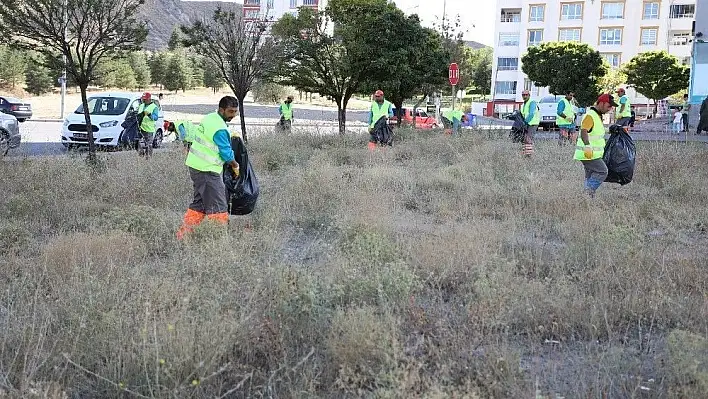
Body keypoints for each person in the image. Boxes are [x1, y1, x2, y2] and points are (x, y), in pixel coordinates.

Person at [177, 96, 240, 240]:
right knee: (218, 206)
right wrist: (235, 165)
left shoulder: (210, 118)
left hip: (196, 167)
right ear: (221, 109)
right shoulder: (220, 128)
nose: (233, 115)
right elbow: (226, 154)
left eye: (235, 112)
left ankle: (183, 236)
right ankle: (218, 241)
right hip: (207, 170)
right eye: (230, 112)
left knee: (199, 204)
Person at [574, 93, 618, 198]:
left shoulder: (597, 115)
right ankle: (586, 193)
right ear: (602, 103)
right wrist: (587, 146)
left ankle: (587, 198)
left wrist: (610, 130)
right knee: (602, 171)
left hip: (590, 153)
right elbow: (584, 131)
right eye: (609, 106)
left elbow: (595, 132)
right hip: (588, 153)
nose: (610, 109)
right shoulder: (590, 115)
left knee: (590, 175)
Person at [137, 93, 159, 159]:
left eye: (145, 99)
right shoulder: (141, 105)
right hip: (140, 127)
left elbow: (155, 118)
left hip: (149, 129)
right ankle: (141, 155)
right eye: (143, 99)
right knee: (136, 143)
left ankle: (148, 158)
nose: (143, 100)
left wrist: (149, 115)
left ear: (149, 99)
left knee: (148, 145)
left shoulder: (154, 107)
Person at [520, 90, 540, 156]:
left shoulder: (532, 102)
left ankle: (529, 155)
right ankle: (525, 153)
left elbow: (531, 114)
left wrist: (525, 122)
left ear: (529, 95)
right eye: (523, 95)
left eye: (526, 95)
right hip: (527, 123)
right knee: (525, 138)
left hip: (533, 123)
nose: (525, 96)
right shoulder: (523, 105)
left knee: (528, 138)